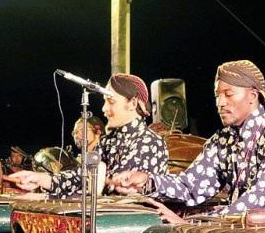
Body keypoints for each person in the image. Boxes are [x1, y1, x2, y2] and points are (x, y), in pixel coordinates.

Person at [112, 60, 265, 214]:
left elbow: (259, 199)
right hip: (239, 232)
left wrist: (197, 222)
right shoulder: (222, 140)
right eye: (217, 95)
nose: (220, 102)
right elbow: (191, 185)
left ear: (252, 96)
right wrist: (149, 181)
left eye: (228, 94)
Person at [10, 74, 169, 197]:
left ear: (133, 104)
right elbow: (82, 176)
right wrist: (42, 179)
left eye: (111, 102)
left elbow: (117, 189)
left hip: (134, 230)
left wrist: (94, 180)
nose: (104, 108)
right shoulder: (108, 142)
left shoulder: (150, 142)